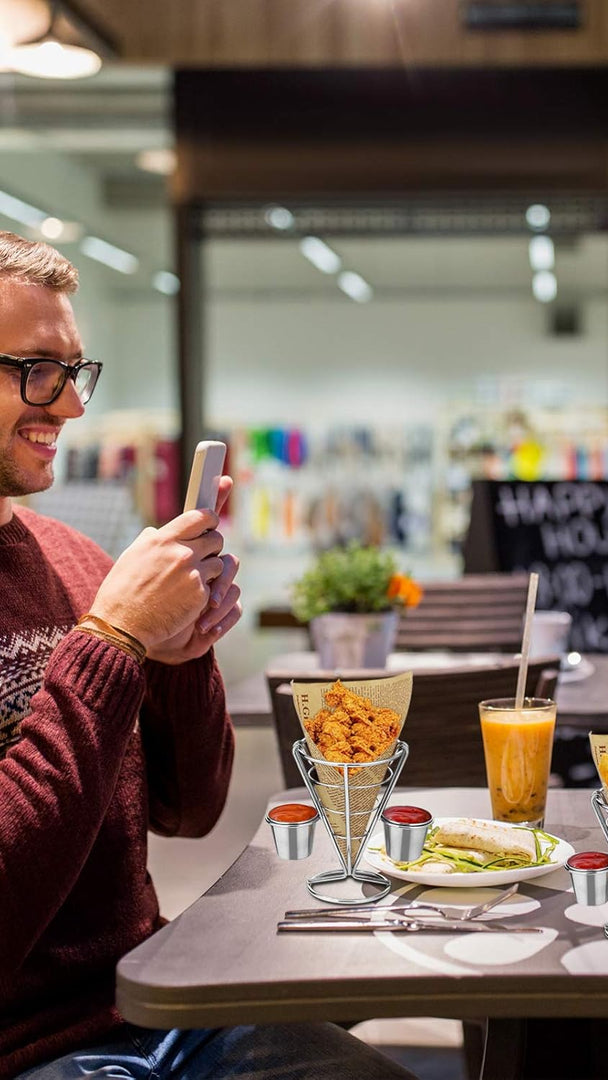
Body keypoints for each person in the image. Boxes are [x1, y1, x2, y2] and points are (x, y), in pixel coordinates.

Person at [0, 232, 415, 1080]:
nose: (71, 406)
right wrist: (111, 643)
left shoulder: (78, 563)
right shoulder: (100, 597)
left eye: (75, 371)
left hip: (155, 1003)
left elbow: (187, 811)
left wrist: (179, 658)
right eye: (37, 370)